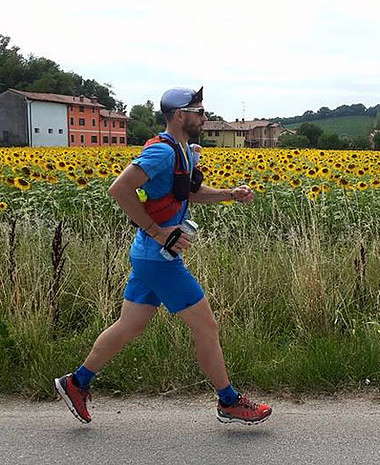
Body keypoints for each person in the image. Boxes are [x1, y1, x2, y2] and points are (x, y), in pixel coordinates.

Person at [54, 86, 272, 426]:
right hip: (159, 257)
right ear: (179, 115)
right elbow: (119, 189)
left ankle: (76, 382)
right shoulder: (163, 153)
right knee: (207, 327)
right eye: (198, 112)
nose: (204, 116)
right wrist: (159, 232)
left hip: (150, 256)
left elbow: (190, 193)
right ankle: (229, 401)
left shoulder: (183, 149)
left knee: (129, 326)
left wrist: (230, 193)